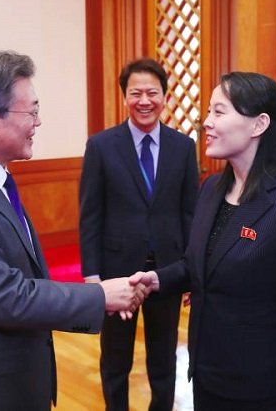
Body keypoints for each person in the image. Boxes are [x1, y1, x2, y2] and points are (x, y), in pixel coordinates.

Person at [0, 50, 148, 411]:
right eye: (31, 112)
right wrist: (100, 296)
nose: (38, 122)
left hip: (9, 381)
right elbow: (6, 297)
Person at [131, 71, 276, 410]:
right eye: (208, 112)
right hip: (207, 374)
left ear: (258, 124)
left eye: (219, 112)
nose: (206, 123)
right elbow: (201, 263)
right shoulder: (211, 189)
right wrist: (158, 278)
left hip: (261, 388)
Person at [79, 57, 199, 411]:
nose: (144, 101)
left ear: (164, 96)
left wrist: (190, 271)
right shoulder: (101, 146)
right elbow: (90, 214)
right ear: (124, 97)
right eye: (136, 93)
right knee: (116, 357)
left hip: (167, 270)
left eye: (152, 93)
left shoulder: (183, 147)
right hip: (117, 272)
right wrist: (92, 275)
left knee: (164, 357)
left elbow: (190, 213)